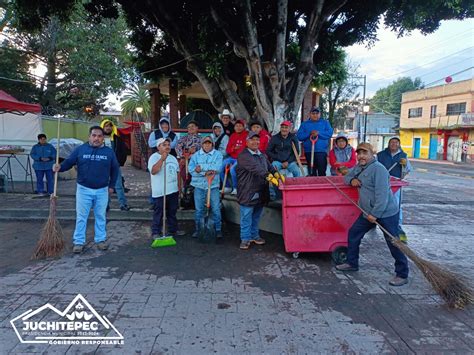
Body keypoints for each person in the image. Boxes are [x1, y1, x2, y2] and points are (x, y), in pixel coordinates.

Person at [336, 143, 409, 287]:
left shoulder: (379, 169)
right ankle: (352, 263)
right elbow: (346, 177)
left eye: (365, 153)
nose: (361, 156)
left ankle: (402, 274)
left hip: (386, 212)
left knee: (393, 242)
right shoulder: (359, 167)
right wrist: (352, 180)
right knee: (354, 233)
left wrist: (374, 214)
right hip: (367, 211)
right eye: (359, 153)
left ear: (371, 154)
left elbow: (382, 196)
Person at [53, 126, 119, 253]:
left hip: (102, 190)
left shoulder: (109, 152)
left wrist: (111, 186)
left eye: (99, 136)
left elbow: (115, 169)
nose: (96, 138)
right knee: (81, 217)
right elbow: (69, 163)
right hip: (84, 189)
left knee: (100, 216)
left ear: (103, 138)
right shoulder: (80, 150)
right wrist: (59, 167)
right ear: (89, 136)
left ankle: (100, 240)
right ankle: (78, 242)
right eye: (94, 135)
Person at [236, 131, 278, 250]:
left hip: (261, 190)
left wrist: (276, 174)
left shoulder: (262, 155)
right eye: (252, 140)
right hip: (248, 191)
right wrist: (269, 176)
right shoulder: (243, 156)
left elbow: (269, 167)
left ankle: (254, 235)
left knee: (256, 216)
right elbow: (256, 169)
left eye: (257, 140)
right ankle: (245, 238)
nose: (255, 142)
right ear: (247, 142)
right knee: (246, 216)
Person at [377, 136, 412, 242]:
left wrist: (405, 164)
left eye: (396, 142)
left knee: (396, 205)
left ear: (399, 144)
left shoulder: (403, 156)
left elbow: (408, 170)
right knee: (380, 203)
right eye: (392, 142)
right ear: (388, 144)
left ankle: (398, 228)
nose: (394, 144)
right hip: (382, 183)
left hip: (396, 184)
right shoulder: (380, 155)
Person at [148, 138, 184, 239]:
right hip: (160, 191)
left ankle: (173, 230)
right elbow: (154, 171)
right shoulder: (153, 157)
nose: (167, 146)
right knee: (158, 213)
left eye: (168, 144)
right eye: (164, 145)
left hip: (173, 190)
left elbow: (178, 173)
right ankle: (156, 231)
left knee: (172, 212)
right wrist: (162, 159)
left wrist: (179, 187)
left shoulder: (172, 158)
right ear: (158, 147)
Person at [189, 136, 224, 240]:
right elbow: (191, 170)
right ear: (202, 144)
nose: (207, 145)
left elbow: (218, 168)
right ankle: (199, 229)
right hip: (199, 186)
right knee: (199, 209)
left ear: (212, 144)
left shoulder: (218, 155)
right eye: (205, 143)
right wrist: (206, 171)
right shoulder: (196, 155)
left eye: (209, 143)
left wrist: (201, 169)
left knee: (216, 209)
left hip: (213, 186)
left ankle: (217, 230)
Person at [100, 119, 130, 211]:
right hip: (102, 167)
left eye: (110, 126)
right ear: (102, 127)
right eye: (106, 126)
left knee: (118, 185)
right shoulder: (99, 139)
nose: (108, 128)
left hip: (114, 166)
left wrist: (120, 162)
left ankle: (123, 204)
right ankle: (105, 205)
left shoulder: (117, 138)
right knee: (104, 186)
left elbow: (123, 151)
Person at [266, 121, 301, 199]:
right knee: (272, 174)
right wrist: (278, 158)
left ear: (289, 129)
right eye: (282, 127)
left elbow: (296, 153)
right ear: (280, 128)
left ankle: (296, 193)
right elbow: (268, 151)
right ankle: (273, 193)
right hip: (277, 161)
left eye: (286, 127)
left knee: (297, 173)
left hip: (289, 161)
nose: (284, 129)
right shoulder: (275, 138)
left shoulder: (293, 137)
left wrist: (288, 162)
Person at [297, 107, 334, 176]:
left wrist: (318, 133)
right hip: (309, 151)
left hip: (321, 152)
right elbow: (299, 136)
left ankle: (321, 186)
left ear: (319, 114)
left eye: (317, 113)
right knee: (311, 172)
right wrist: (309, 133)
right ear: (310, 114)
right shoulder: (304, 124)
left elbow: (330, 133)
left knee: (322, 171)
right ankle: (312, 185)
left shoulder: (325, 123)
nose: (315, 115)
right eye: (313, 113)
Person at [222, 119, 248, 194]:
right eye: (236, 126)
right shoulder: (233, 135)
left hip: (241, 158)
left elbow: (246, 148)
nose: (238, 127)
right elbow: (228, 150)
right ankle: (227, 186)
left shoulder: (247, 135)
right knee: (221, 167)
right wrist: (233, 148)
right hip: (232, 157)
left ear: (243, 127)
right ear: (234, 127)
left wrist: (237, 149)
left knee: (232, 169)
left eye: (240, 126)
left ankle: (236, 188)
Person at [176, 120, 201, 187]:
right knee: (184, 174)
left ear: (197, 128)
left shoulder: (201, 139)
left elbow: (204, 149)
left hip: (198, 161)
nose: (190, 128)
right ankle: (185, 190)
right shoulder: (184, 138)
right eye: (189, 127)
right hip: (186, 160)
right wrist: (183, 156)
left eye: (192, 126)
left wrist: (195, 149)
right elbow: (178, 147)